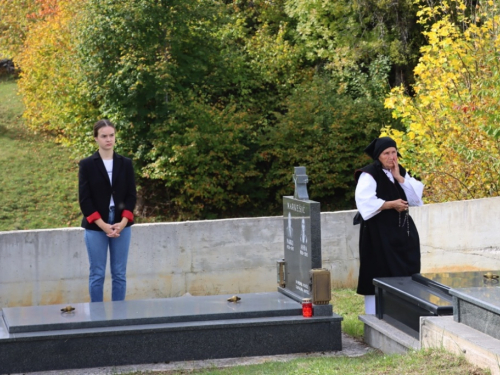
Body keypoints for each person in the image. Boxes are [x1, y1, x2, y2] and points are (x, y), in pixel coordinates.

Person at [354, 136, 424, 314]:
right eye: (386, 153)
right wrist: (391, 204)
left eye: (393, 152)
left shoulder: (400, 171)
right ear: (378, 155)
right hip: (378, 233)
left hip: (401, 232)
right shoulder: (369, 174)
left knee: (407, 265)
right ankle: (375, 314)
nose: (391, 156)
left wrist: (399, 177)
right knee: (378, 268)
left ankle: (404, 310)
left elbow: (416, 199)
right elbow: (364, 202)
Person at [78, 119, 137, 302]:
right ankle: (97, 321)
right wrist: (103, 225)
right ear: (96, 138)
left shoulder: (125, 163)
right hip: (96, 225)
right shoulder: (87, 164)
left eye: (111, 135)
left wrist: (123, 222)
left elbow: (131, 195)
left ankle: (118, 320)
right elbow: (84, 200)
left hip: (122, 223)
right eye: (104, 136)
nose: (108, 139)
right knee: (97, 273)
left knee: (119, 273)